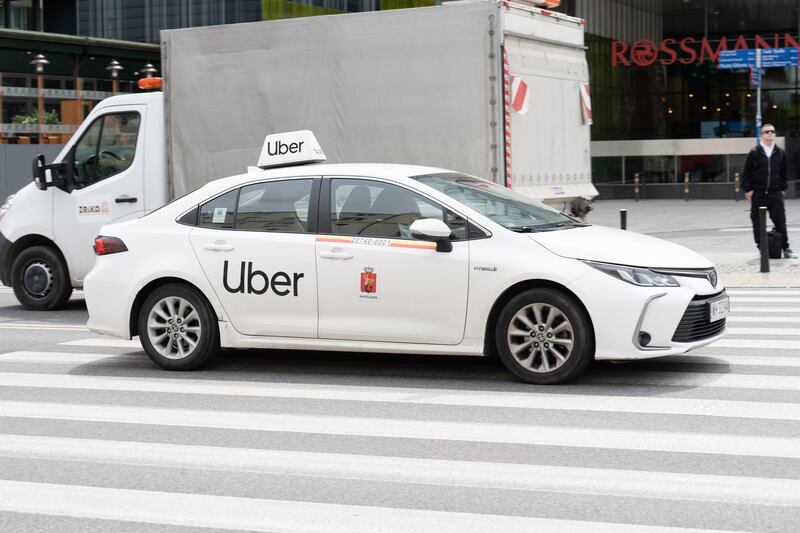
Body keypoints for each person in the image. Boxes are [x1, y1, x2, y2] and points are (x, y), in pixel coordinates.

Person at [741, 124, 797, 259]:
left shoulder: (780, 153)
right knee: (758, 223)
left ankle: (786, 248)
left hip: (775, 194)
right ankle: (762, 249)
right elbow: (746, 174)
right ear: (762, 135)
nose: (770, 133)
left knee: (780, 223)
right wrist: (748, 190)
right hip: (758, 194)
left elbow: (784, 173)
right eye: (767, 132)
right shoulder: (754, 152)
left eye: (773, 131)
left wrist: (782, 189)